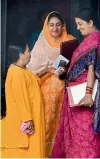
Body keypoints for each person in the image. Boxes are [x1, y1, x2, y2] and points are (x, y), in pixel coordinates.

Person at [52, 8, 100, 158]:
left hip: (84, 99)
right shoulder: (89, 38)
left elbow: (92, 68)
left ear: (90, 22)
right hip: (76, 96)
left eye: (80, 24)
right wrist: (64, 71)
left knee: (87, 139)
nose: (78, 28)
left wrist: (88, 93)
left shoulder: (96, 39)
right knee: (77, 140)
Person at [27, 11, 76, 157]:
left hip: (66, 91)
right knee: (47, 123)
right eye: (51, 25)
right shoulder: (41, 44)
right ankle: (45, 152)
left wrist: (65, 71)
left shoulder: (70, 41)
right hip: (46, 93)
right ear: (46, 26)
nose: (55, 28)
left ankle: (62, 152)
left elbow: (78, 65)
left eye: (58, 25)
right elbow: (33, 71)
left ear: (63, 26)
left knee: (64, 123)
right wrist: (48, 70)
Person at [1, 36, 45, 158]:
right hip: (24, 124)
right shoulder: (16, 72)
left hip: (31, 120)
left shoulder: (23, 70)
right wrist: (28, 119)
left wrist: (43, 73)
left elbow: (31, 84)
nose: (30, 54)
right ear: (21, 55)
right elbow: (21, 98)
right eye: (28, 51)